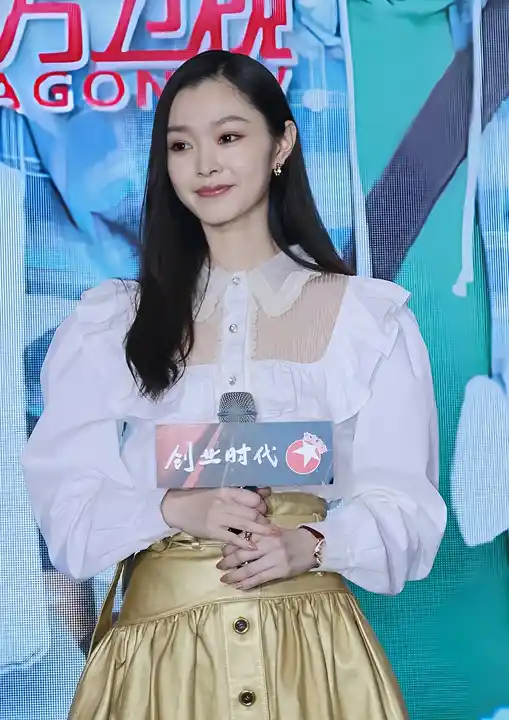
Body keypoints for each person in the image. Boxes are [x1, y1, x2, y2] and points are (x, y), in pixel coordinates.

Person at [22, 50, 447, 719]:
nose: (205, 165)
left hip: (311, 658)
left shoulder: (367, 321)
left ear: (281, 144)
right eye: (180, 145)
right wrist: (172, 510)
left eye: (228, 137)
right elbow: (68, 517)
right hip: (161, 666)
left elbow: (407, 510)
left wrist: (311, 544)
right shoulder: (109, 323)